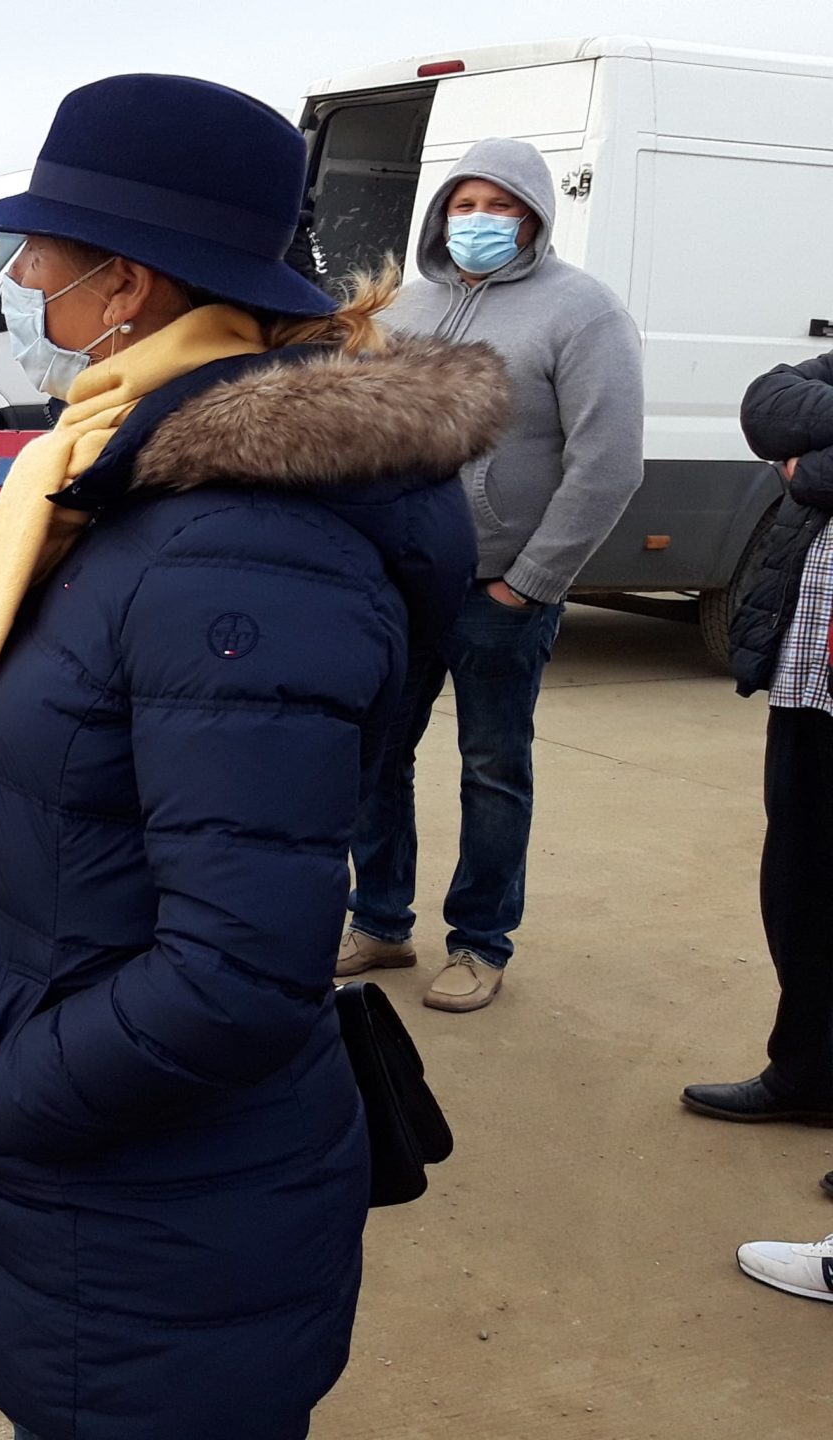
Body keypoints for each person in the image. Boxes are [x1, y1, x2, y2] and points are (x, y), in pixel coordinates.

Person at [0, 76, 489, 1440]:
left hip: (146, 1210)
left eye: (45, 252)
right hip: (107, 1201)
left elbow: (238, 970)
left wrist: (12, 1086)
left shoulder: (244, 539)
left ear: (129, 286)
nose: (24, 277)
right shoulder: (125, 471)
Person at [341, 136, 647, 1014]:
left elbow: (608, 463)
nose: (480, 221)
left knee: (492, 768)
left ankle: (480, 941)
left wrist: (534, 580)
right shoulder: (405, 307)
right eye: (465, 205)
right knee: (375, 758)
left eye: (501, 205)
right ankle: (380, 922)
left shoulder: (582, 312)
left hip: (499, 592)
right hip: (401, 585)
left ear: (536, 215)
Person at [681, 351, 833, 1125]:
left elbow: (810, 470)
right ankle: (807, 1075)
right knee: (800, 887)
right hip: (812, 681)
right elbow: (765, 406)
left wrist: (815, 465)